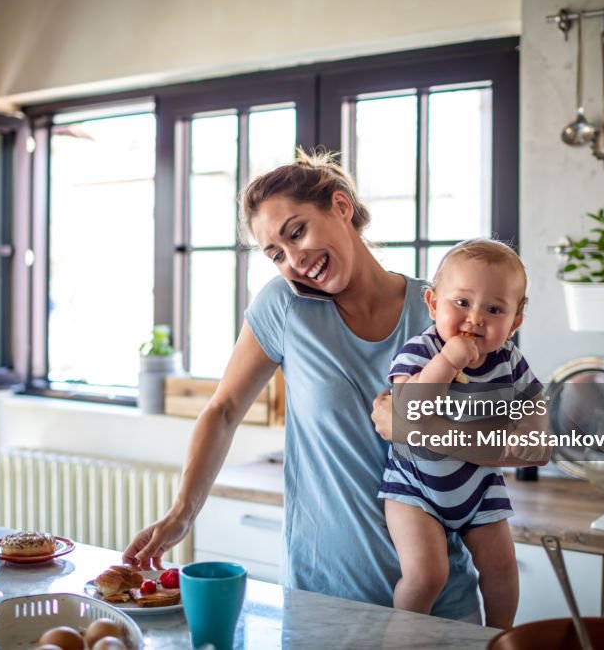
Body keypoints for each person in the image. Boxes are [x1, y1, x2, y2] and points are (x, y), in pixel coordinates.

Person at [123, 149, 541, 621]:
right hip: (322, 597)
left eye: (297, 231)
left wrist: (417, 428)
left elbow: (529, 444)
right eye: (276, 253)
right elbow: (222, 411)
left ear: (341, 207)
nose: (295, 260)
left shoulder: (447, 311)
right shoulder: (284, 307)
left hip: (439, 606)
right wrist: (182, 512)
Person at [380, 239, 540, 628]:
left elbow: (536, 410)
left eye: (494, 309)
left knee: (503, 569)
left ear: (514, 322)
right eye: (462, 303)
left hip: (481, 488)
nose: (475, 319)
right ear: (433, 304)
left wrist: (526, 430)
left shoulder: (510, 362)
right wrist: (448, 361)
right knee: (427, 575)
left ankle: (500, 636)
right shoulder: (420, 351)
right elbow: (408, 412)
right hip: (415, 488)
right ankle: (403, 638)